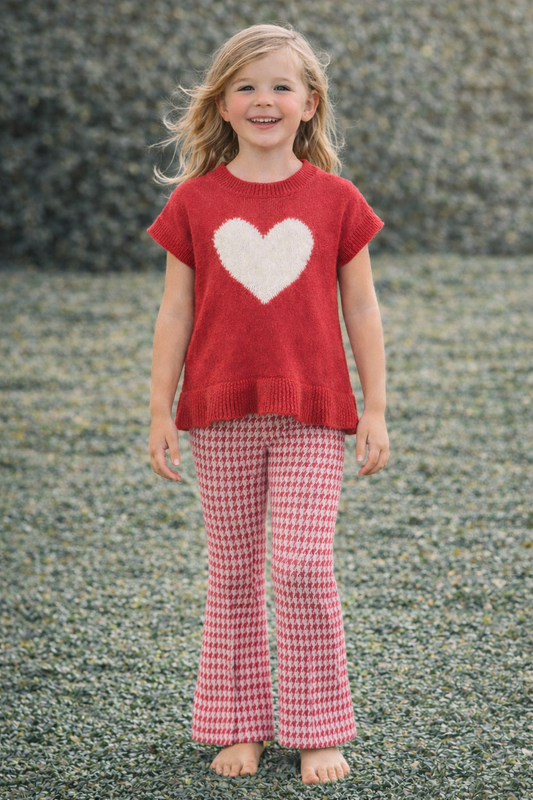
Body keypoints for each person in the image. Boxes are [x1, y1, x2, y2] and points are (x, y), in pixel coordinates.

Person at [146, 22, 389, 786]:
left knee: (303, 567)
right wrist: (159, 411)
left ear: (308, 103)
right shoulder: (194, 202)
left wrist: (375, 409)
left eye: (280, 86)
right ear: (220, 104)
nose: (263, 100)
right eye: (245, 86)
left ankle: (318, 728)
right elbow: (174, 311)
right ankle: (237, 724)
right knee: (234, 573)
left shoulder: (336, 200)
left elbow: (362, 307)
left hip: (313, 413)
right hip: (218, 415)